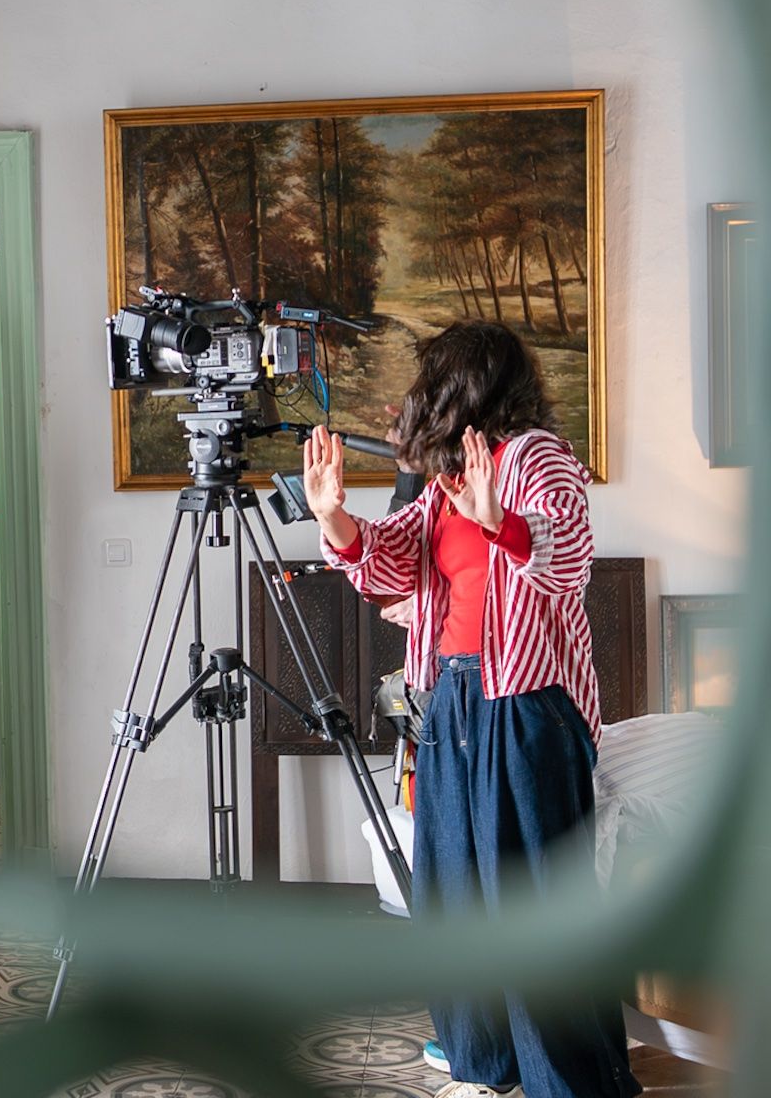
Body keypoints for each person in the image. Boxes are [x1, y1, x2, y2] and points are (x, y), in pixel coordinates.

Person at [303, 321, 639, 1098]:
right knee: (449, 894)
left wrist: (499, 521)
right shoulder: (447, 477)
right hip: (452, 694)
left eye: (431, 379)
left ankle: (574, 1083)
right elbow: (395, 557)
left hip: (525, 705)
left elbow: (567, 560)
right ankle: (484, 1064)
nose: (418, 396)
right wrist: (335, 519)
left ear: (466, 384)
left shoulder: (538, 458)